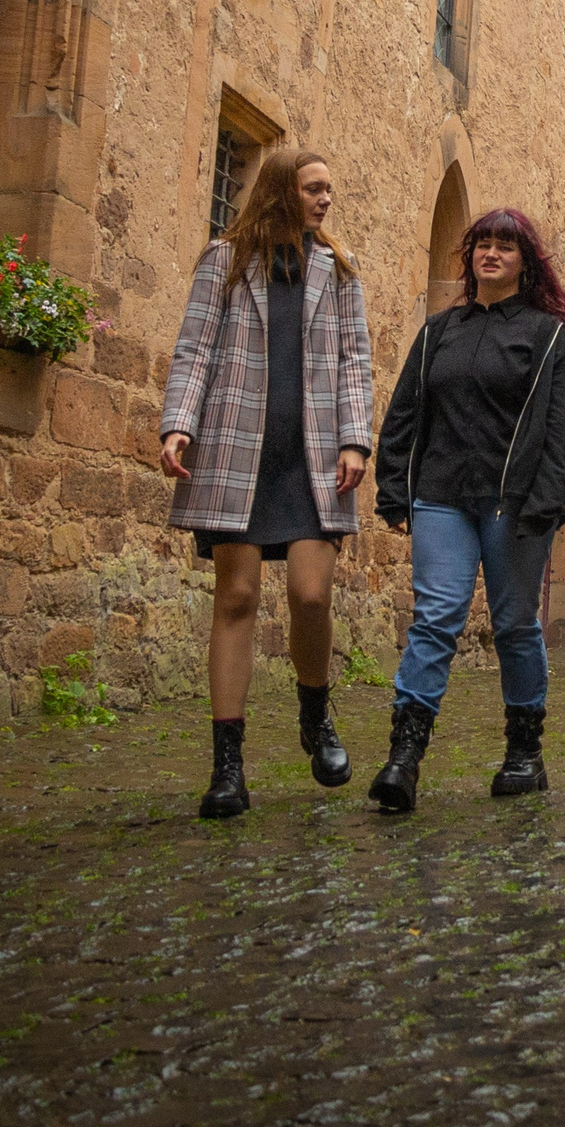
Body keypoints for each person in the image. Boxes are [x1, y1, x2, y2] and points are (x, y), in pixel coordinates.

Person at [160, 150, 375, 820]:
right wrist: (178, 424)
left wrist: (354, 438)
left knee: (311, 594)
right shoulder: (224, 260)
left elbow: (355, 360)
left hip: (312, 460)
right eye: (314, 188)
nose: (325, 199)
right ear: (282, 191)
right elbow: (195, 347)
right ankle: (228, 766)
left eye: (330, 189)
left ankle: (316, 713)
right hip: (237, 450)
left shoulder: (336, 271)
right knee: (237, 597)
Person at [368, 208, 565, 812]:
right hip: (440, 494)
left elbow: (559, 430)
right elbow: (405, 410)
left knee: (514, 624)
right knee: (436, 616)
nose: (491, 255)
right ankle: (404, 757)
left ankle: (523, 752)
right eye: (482, 245)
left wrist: (544, 503)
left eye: (504, 247)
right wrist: (393, 486)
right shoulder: (440, 330)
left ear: (524, 262)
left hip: (513, 503)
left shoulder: (547, 337)